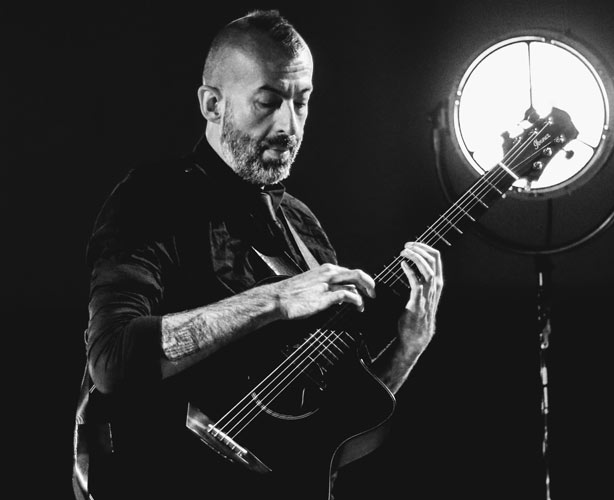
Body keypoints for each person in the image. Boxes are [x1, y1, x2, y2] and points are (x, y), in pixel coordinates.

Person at [72, 9, 443, 500]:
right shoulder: (151, 199)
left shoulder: (304, 229)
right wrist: (276, 300)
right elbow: (112, 360)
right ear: (213, 104)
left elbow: (329, 433)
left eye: (302, 102)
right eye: (268, 102)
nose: (289, 125)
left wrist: (407, 348)